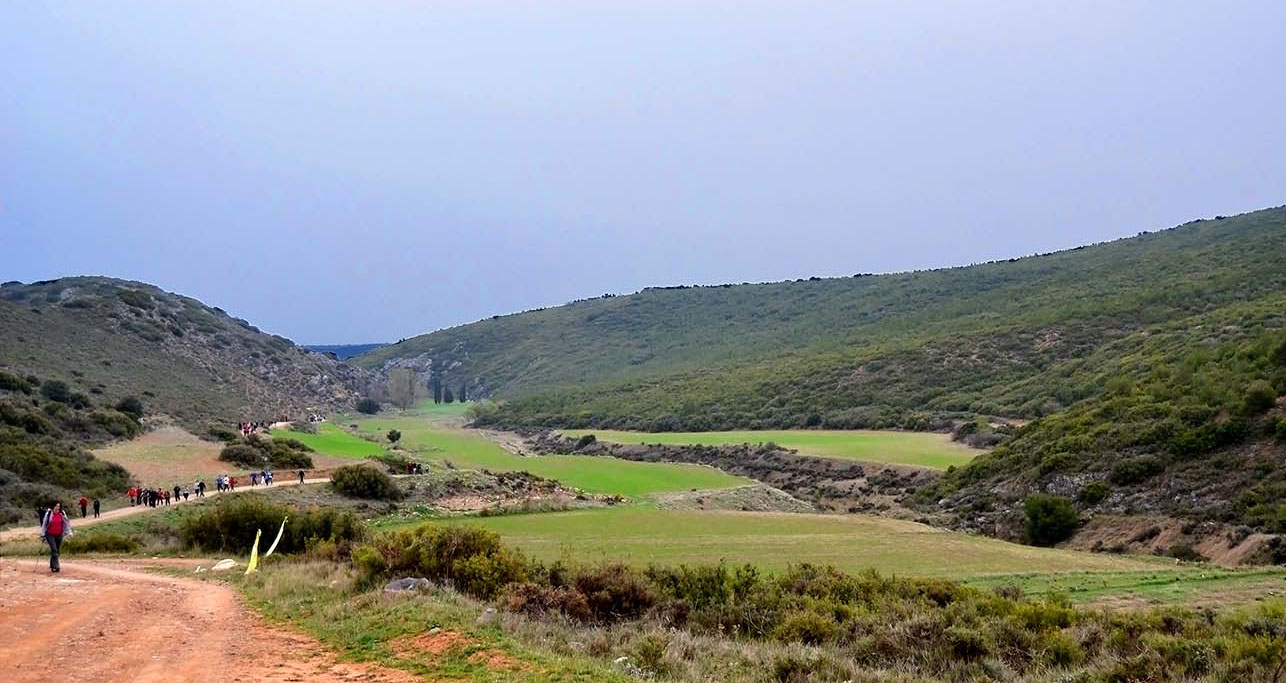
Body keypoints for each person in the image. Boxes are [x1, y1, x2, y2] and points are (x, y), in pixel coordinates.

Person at [41, 502, 73, 573]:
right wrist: (42, 534)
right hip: (50, 534)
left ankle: (52, 565)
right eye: (56, 506)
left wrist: (69, 532)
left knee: (56, 550)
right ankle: (56, 566)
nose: (57, 508)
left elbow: (67, 523)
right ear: (53, 506)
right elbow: (44, 524)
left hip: (59, 534)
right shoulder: (49, 513)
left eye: (58, 506)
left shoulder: (62, 513)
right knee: (54, 549)